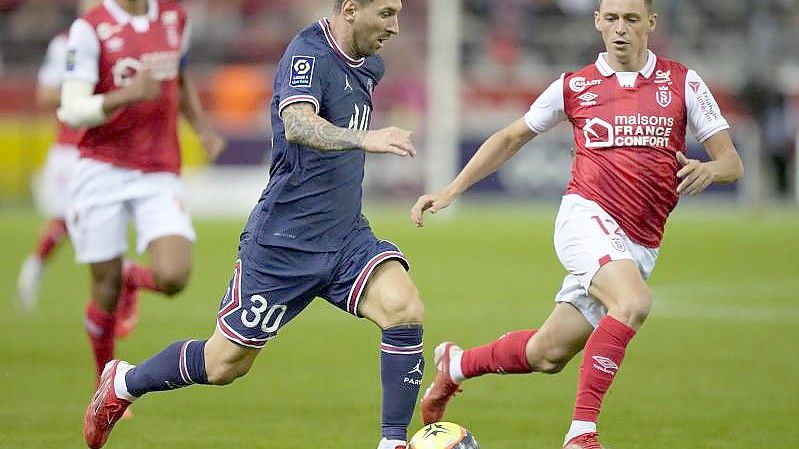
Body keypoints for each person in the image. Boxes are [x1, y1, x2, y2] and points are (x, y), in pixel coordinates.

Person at [82, 1, 424, 449]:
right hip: (283, 243)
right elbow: (297, 124)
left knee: (404, 308)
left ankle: (393, 442)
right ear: (351, 9)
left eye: (397, 13)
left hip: (345, 237)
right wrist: (367, 138)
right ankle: (124, 383)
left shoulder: (368, 65)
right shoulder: (307, 55)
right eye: (385, 14)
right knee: (223, 365)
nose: (395, 27)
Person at [412, 1, 743, 448]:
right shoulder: (575, 86)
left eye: (630, 19)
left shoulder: (682, 81)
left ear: (651, 22)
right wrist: (451, 190)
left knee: (548, 353)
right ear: (597, 23)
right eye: (611, 19)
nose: (620, 29)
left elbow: (731, 162)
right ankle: (581, 434)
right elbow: (511, 136)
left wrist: (710, 170)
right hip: (585, 217)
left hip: (639, 242)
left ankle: (455, 365)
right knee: (632, 303)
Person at [57, 0, 225, 385]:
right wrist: (126, 95)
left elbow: (179, 79)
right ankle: (105, 382)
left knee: (174, 276)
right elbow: (71, 110)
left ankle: (135, 276)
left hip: (157, 168)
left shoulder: (174, 16)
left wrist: (201, 127)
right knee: (104, 286)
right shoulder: (91, 28)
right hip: (102, 166)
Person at [15, 0, 100, 312]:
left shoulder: (116, 40)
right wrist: (84, 90)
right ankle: (34, 267)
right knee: (67, 217)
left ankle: (112, 296)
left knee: (96, 220)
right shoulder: (65, 44)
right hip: (70, 148)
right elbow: (46, 93)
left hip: (104, 148)